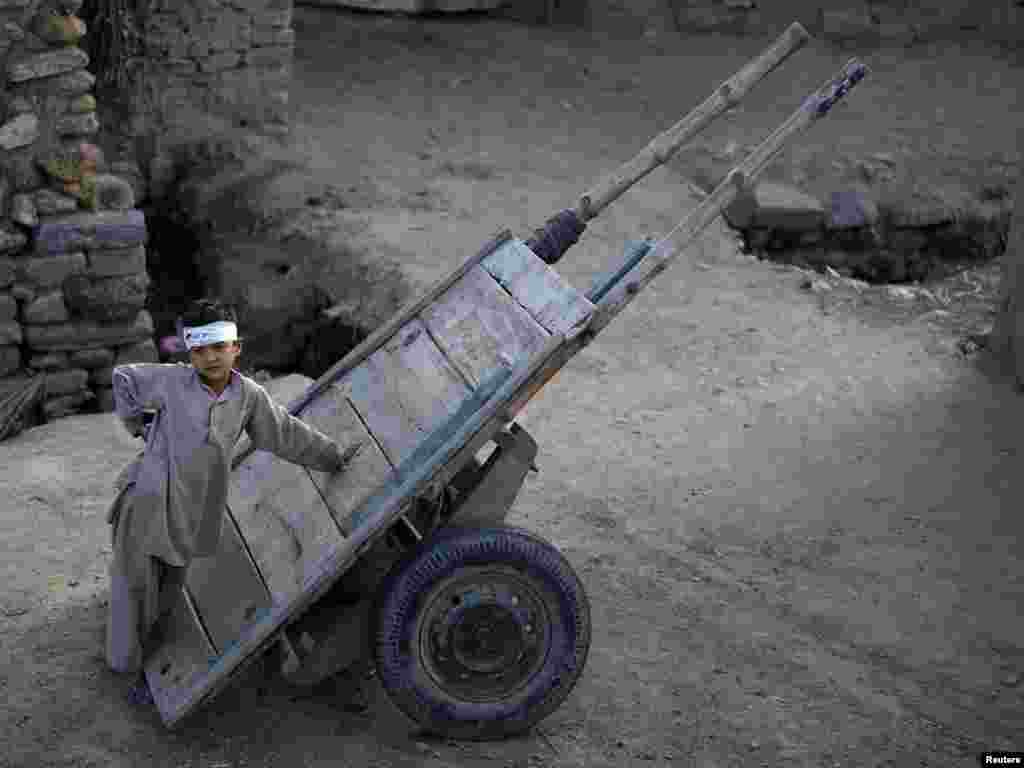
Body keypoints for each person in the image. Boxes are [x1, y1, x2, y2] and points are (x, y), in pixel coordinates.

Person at [106, 298, 362, 706]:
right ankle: (126, 668)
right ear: (189, 353)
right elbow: (124, 379)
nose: (210, 358)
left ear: (236, 348)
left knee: (171, 589)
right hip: (148, 498)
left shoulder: (249, 397)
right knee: (135, 583)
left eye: (218, 348)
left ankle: (152, 664)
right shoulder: (171, 382)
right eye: (200, 350)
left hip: (192, 509)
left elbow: (285, 434)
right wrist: (137, 423)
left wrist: (331, 456)